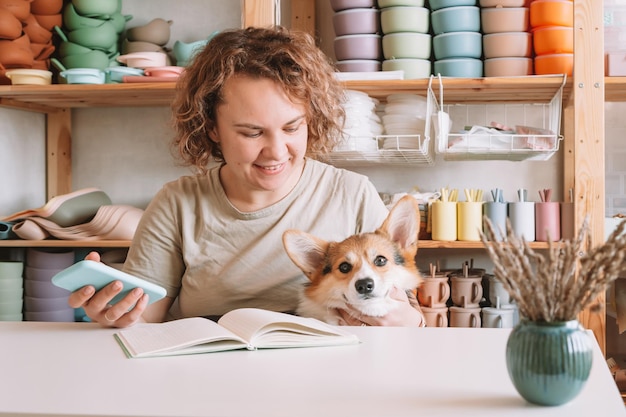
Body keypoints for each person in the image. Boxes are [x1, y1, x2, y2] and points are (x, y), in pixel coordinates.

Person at [69, 26, 424, 328]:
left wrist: (407, 320)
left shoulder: (351, 192)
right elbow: (145, 318)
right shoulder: (177, 204)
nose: (276, 151)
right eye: (252, 133)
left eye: (292, 127)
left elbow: (404, 307)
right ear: (211, 128)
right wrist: (116, 313)